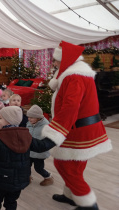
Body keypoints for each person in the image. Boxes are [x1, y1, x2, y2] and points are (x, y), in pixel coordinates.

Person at [42, 41, 112, 210]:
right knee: (75, 163)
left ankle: (88, 205)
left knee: (65, 165)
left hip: (76, 129)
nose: (54, 64)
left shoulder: (74, 76)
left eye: (56, 61)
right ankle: (71, 196)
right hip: (82, 128)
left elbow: (71, 107)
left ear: (65, 60)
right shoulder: (76, 74)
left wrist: (55, 132)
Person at [0, 106, 56, 210]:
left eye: (0, 118)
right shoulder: (27, 136)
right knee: (11, 202)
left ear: (8, 121)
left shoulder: (0, 138)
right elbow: (42, 146)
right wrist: (56, 136)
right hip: (20, 180)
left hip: (1, 179)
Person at [26, 105, 53, 186]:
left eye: (32, 117)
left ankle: (48, 177)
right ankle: (27, 177)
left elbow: (48, 141)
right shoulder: (29, 123)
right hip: (29, 150)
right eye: (28, 117)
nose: (29, 119)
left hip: (39, 153)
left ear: (38, 118)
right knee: (26, 165)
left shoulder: (46, 126)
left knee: (38, 168)